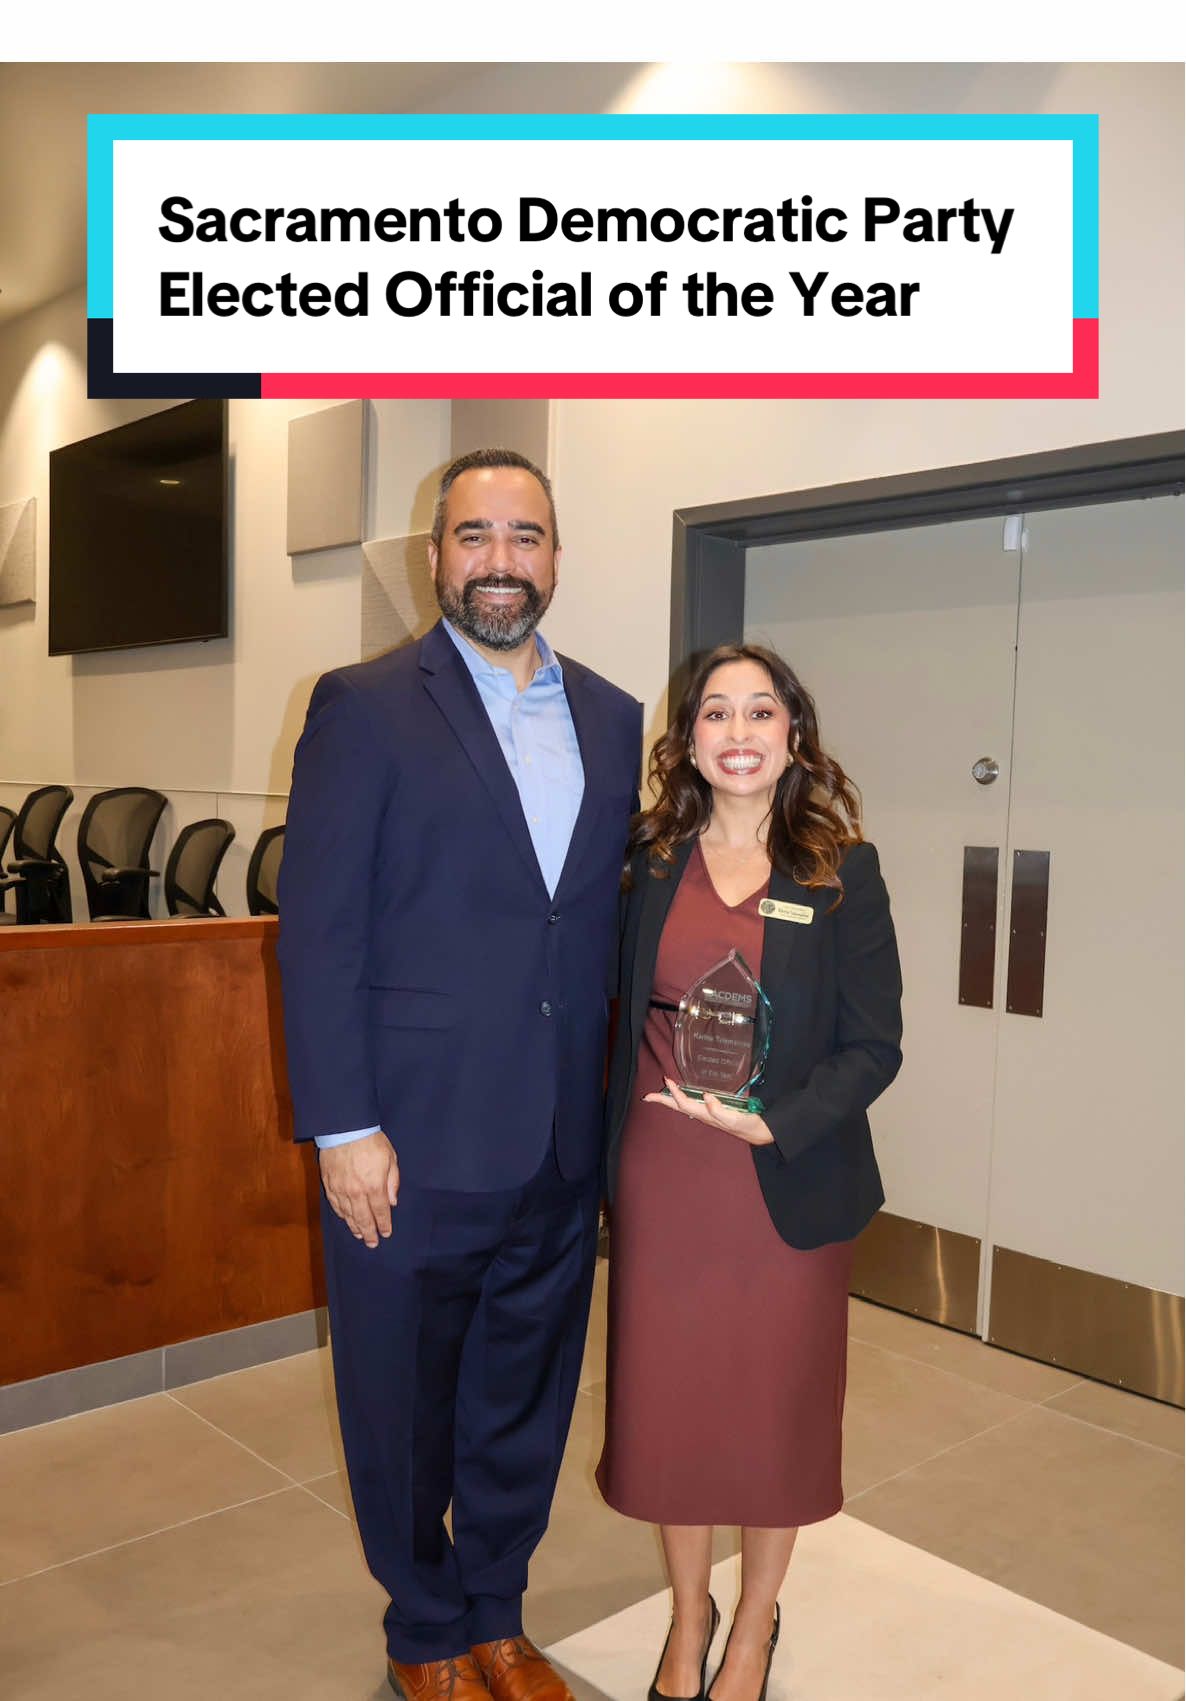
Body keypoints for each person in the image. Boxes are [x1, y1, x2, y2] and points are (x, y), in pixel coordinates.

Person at [276, 448, 642, 1701]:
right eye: (475, 536)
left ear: (554, 554)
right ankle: (423, 1625)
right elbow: (319, 930)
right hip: (409, 1142)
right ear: (436, 554)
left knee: (523, 1396)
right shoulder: (365, 704)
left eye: (525, 536)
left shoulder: (613, 714)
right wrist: (341, 1125)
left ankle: (497, 1610)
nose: (501, 560)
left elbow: (596, 924)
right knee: (399, 1400)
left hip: (556, 1136)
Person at [596, 643, 902, 1701]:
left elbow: (876, 1044)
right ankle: (689, 1619)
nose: (737, 733)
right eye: (715, 714)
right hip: (664, 1172)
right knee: (674, 1407)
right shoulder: (644, 861)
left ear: (793, 737)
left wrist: (781, 1125)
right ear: (687, 742)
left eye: (759, 713)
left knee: (773, 1412)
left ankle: (756, 1624)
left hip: (786, 1179)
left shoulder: (840, 873)